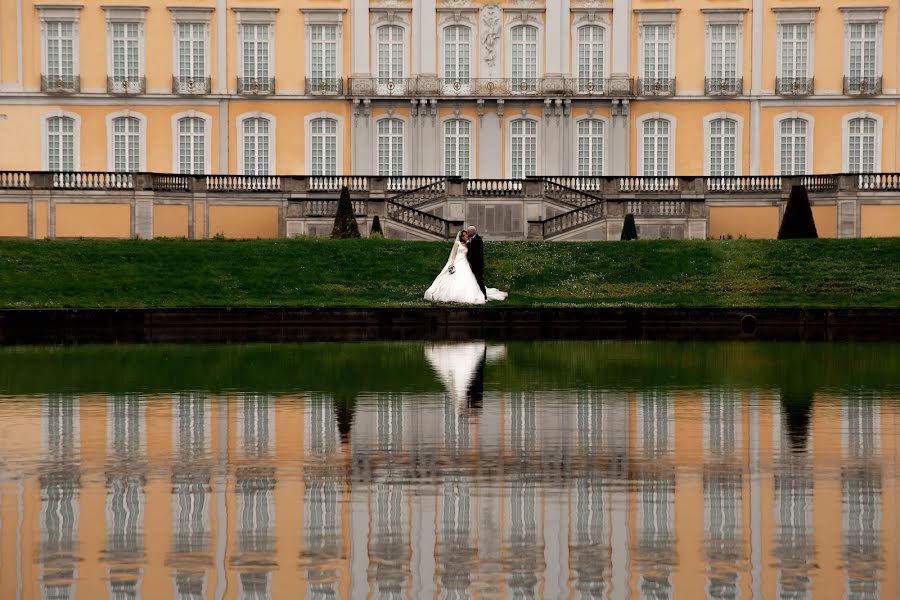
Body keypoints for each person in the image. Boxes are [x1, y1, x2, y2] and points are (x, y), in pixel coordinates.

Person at [423, 228, 507, 304]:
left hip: (465, 263)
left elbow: (471, 253)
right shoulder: (457, 243)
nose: (465, 236)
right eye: (464, 235)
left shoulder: (468, 243)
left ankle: (476, 295)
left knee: (468, 278)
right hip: (457, 262)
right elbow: (454, 254)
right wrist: (452, 263)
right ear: (461, 237)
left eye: (466, 234)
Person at [465, 225, 487, 300]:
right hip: (473, 264)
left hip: (477, 264)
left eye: (468, 232)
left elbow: (473, 251)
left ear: (472, 232)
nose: (467, 233)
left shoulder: (477, 239)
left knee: (479, 280)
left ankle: (484, 295)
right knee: (475, 280)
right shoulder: (473, 239)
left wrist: (467, 242)